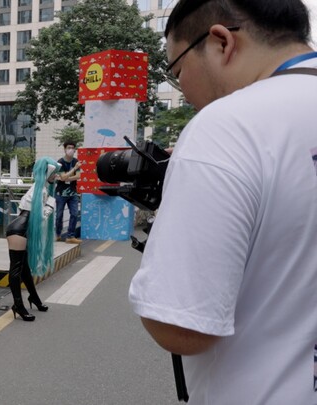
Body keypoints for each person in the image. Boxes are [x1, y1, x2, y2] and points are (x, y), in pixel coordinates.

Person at [128, 1, 317, 403]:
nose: (186, 91)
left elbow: (181, 328)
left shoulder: (229, 125)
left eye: (178, 73)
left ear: (220, 42)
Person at [4, 157, 63, 321]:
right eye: (54, 174)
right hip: (19, 230)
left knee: (23, 268)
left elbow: (23, 209)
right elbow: (40, 218)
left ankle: (34, 298)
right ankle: (18, 305)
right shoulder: (41, 191)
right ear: (48, 173)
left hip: (21, 228)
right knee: (16, 269)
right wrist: (51, 205)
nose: (56, 177)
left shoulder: (39, 189)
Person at [54, 141, 82, 244]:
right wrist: (74, 169)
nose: (71, 149)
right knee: (59, 215)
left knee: (74, 214)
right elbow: (63, 177)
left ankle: (70, 236)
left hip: (73, 193)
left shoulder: (76, 160)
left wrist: (65, 177)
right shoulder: (60, 162)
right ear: (65, 149)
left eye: (73, 148)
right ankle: (58, 234)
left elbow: (78, 176)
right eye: (69, 147)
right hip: (61, 194)